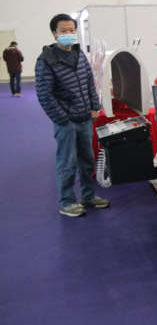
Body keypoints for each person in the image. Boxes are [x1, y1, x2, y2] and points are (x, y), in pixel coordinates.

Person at [36, 13, 109, 217]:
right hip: (66, 122)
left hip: (85, 117)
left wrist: (94, 106)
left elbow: (89, 82)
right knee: (67, 163)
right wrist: (62, 118)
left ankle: (88, 196)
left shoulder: (79, 54)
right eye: (63, 31)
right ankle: (67, 202)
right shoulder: (46, 61)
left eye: (71, 30)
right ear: (54, 33)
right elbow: (44, 94)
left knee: (87, 160)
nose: (68, 34)